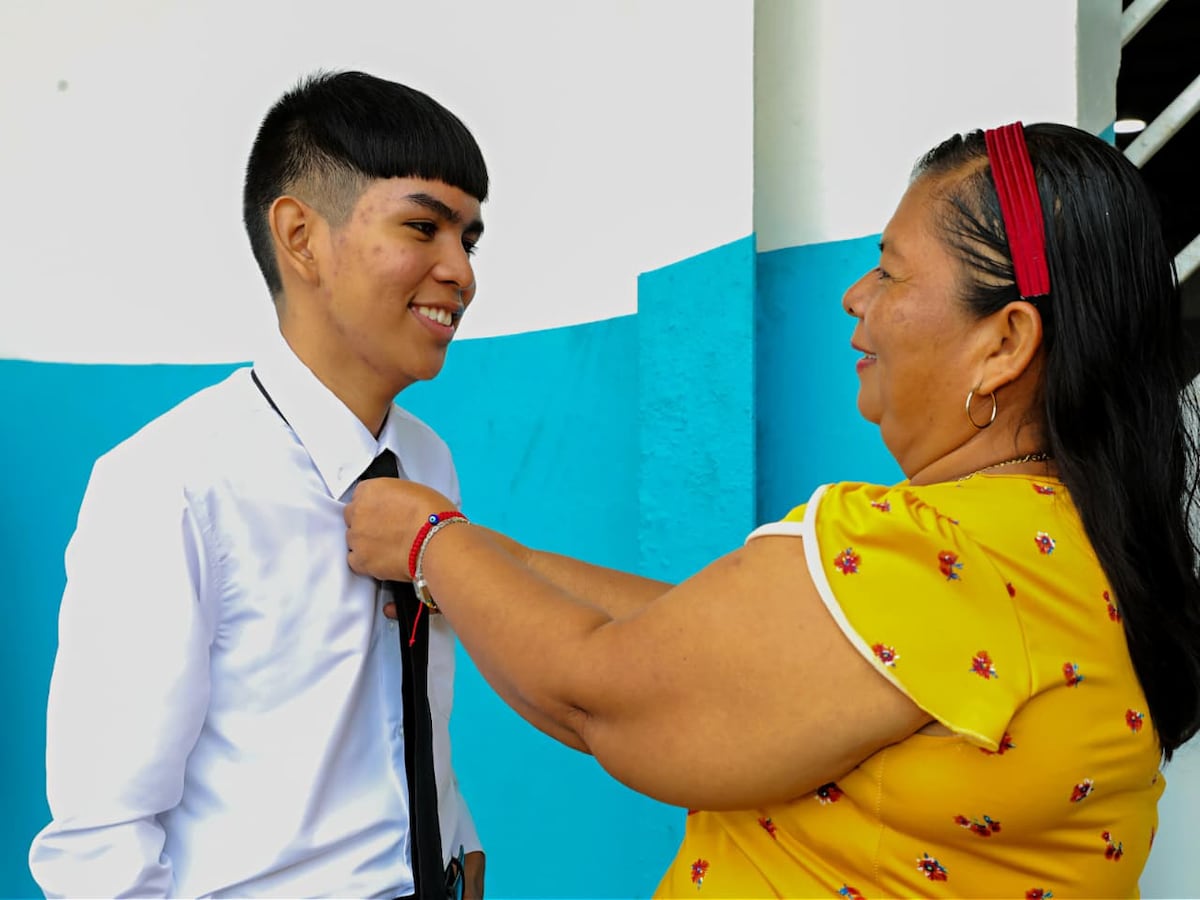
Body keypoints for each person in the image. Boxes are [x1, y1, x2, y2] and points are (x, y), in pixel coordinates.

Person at [345, 121, 1200, 896]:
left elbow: (605, 695)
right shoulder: (1063, 547)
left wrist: (429, 545)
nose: (855, 297)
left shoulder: (931, 557)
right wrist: (496, 558)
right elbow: (704, 640)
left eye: (892, 272)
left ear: (1005, 342)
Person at [30, 70, 487, 899]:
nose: (460, 271)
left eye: (471, 239)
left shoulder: (427, 463)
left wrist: (456, 838)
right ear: (300, 237)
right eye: (424, 226)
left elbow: (400, 717)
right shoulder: (170, 483)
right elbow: (100, 841)